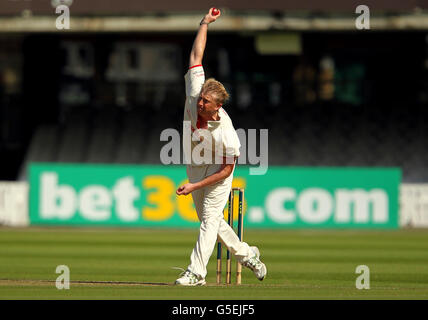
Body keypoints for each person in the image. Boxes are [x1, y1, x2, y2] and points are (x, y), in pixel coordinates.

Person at [174, 8, 267, 286]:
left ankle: (195, 273)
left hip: (217, 172)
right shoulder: (194, 95)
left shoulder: (228, 136)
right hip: (194, 164)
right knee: (212, 222)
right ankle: (247, 254)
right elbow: (195, 57)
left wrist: (194, 187)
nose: (199, 104)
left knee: (209, 220)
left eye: (205, 102)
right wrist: (204, 23)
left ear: (218, 106)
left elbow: (227, 171)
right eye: (200, 98)